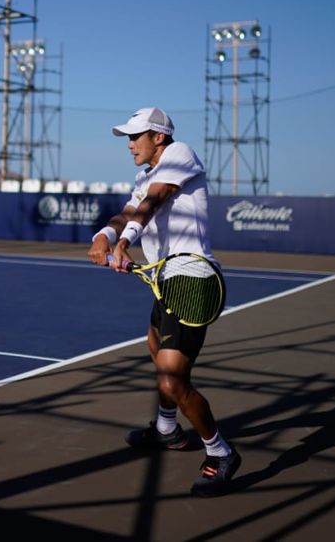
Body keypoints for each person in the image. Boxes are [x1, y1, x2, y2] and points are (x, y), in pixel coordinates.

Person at [87, 106, 240, 498]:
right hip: (166, 281)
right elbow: (128, 211)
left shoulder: (179, 154)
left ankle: (220, 452)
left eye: (135, 136)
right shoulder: (145, 174)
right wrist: (104, 236)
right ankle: (167, 429)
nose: (129, 144)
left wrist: (125, 241)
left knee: (172, 377)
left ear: (158, 137)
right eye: (127, 137)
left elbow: (154, 201)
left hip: (192, 279)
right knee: (155, 349)